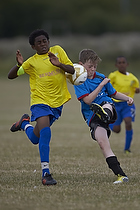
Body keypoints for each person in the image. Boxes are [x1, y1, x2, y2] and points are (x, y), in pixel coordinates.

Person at [8, 29, 75, 186]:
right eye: (39, 42)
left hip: (57, 103)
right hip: (39, 101)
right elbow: (11, 76)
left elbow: (71, 70)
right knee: (46, 132)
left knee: (35, 138)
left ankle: (24, 124)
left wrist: (59, 64)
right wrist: (18, 64)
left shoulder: (58, 51)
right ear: (33, 47)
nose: (43, 44)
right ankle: (46, 173)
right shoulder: (31, 62)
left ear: (49, 41)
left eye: (45, 41)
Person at [74, 49, 134, 184]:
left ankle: (105, 114)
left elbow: (113, 93)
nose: (93, 69)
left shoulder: (100, 77)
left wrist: (127, 98)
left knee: (106, 104)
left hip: (108, 107)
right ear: (81, 64)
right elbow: (88, 101)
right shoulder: (79, 81)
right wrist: (101, 85)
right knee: (103, 144)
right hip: (92, 116)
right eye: (90, 67)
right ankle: (121, 175)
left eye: (95, 66)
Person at [108, 56, 140, 153]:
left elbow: (136, 88)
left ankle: (127, 149)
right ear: (116, 65)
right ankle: (108, 123)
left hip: (128, 104)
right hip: (116, 104)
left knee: (128, 122)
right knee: (117, 130)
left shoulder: (132, 78)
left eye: (123, 62)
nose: (122, 64)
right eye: (119, 63)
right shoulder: (113, 76)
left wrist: (137, 90)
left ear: (127, 64)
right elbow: (107, 86)